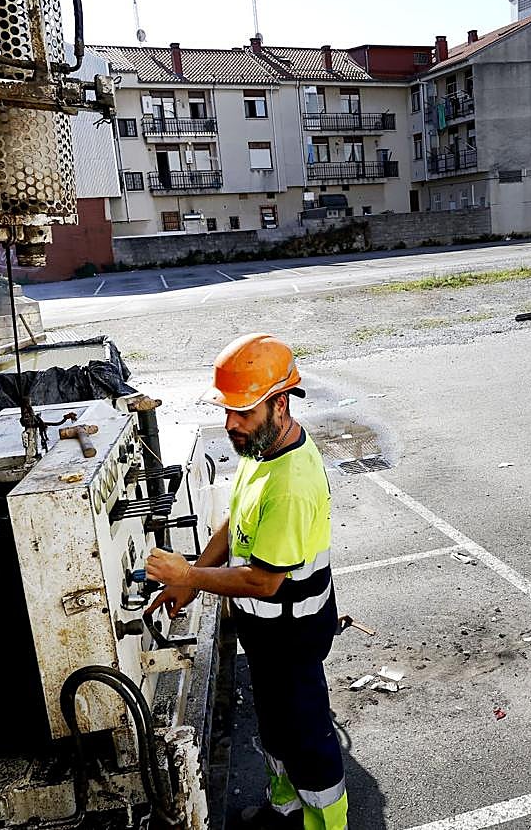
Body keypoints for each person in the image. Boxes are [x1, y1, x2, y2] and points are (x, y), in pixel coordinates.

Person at [145, 332, 346, 830]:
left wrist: (189, 573)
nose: (231, 425)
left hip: (293, 635)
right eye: (227, 411)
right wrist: (192, 578)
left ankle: (327, 824)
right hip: (265, 635)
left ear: (279, 404)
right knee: (276, 730)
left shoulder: (292, 484)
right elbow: (235, 522)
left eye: (244, 412)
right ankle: (285, 812)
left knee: (308, 740)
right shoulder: (258, 449)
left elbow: (264, 582)